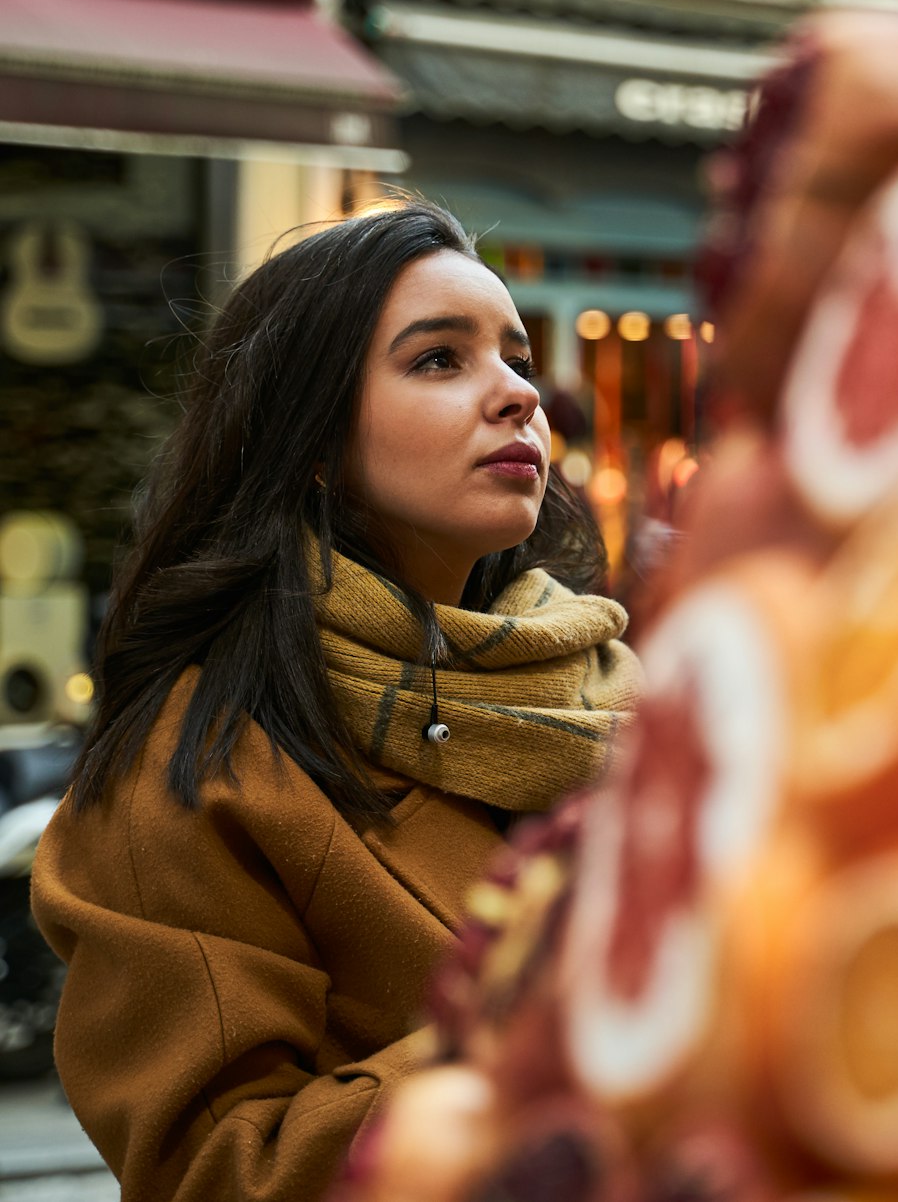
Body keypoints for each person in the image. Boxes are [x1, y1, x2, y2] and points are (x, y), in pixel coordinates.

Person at [30, 198, 641, 1202]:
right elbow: (221, 1170)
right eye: (439, 359)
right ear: (310, 436)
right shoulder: (197, 762)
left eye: (517, 358)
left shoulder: (614, 691)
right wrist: (544, 1026)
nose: (516, 396)